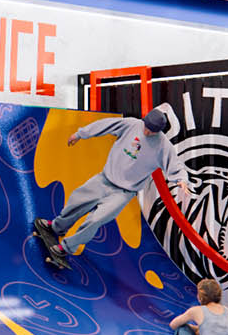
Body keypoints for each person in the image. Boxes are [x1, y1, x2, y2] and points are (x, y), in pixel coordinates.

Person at [34, 107, 190, 259]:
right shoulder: (132, 124)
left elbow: (176, 165)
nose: (147, 132)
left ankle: (67, 247)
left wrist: (182, 180)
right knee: (76, 201)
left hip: (123, 193)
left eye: (152, 131)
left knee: (96, 219)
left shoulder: (163, 146)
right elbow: (105, 125)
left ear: (159, 131)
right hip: (104, 179)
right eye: (146, 128)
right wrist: (80, 134)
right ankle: (57, 227)